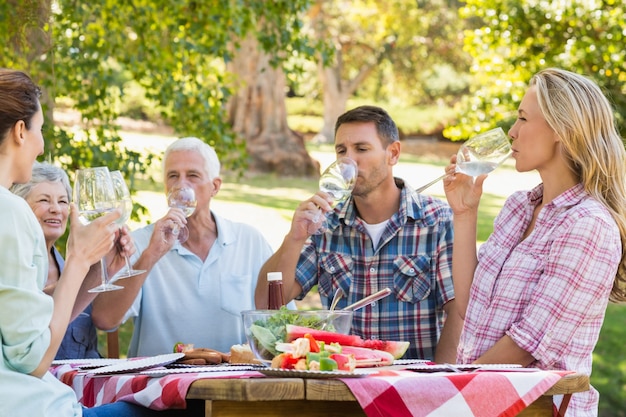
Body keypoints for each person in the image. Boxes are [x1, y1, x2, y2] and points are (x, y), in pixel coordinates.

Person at [443, 68, 626, 417]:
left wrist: (455, 394)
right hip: (483, 398)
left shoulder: (588, 226)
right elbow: (471, 307)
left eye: (523, 119)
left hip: (535, 409)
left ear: (563, 129)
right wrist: (464, 214)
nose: (512, 131)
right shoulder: (517, 208)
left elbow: (527, 345)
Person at [255, 105, 462, 362]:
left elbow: (459, 313)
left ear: (393, 153)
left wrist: (438, 380)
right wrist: (294, 238)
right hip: (342, 383)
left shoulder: (437, 221)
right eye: (341, 151)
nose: (348, 161)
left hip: (413, 383)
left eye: (361, 149)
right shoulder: (326, 224)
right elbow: (266, 303)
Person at [92, 137, 276, 357]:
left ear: (214, 187)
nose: (181, 185)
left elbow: (279, 320)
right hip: (158, 385)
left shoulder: (249, 241)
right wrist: (151, 255)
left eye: (193, 175)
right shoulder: (140, 242)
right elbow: (104, 319)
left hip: (233, 380)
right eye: (173, 176)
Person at [11, 161, 108, 359]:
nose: (56, 209)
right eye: (44, 200)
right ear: (19, 207)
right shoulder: (12, 265)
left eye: (63, 201)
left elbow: (90, 353)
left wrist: (104, 268)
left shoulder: (77, 269)